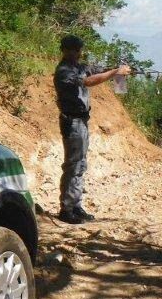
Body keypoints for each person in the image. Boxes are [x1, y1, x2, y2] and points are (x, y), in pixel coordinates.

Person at [53, 35, 130, 224]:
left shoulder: (78, 67)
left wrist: (121, 71)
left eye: (77, 50)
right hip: (72, 122)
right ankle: (67, 209)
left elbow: (95, 70)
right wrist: (114, 72)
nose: (76, 53)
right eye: (73, 50)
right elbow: (88, 81)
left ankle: (76, 206)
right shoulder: (64, 71)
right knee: (73, 165)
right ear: (65, 50)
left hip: (81, 121)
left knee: (80, 164)